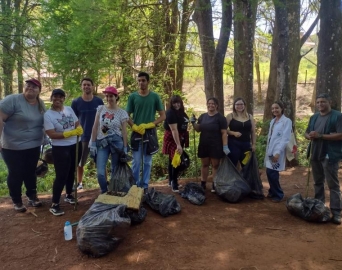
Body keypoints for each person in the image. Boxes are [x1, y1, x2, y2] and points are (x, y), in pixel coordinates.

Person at [0, 78, 45, 212]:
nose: (30, 88)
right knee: (16, 173)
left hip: (34, 145)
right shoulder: (12, 100)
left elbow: (44, 122)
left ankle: (32, 196)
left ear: (39, 91)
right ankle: (17, 201)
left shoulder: (40, 103)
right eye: (28, 85)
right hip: (12, 146)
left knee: (31, 171)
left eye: (34, 87)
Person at [44, 89, 83, 216]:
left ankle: (69, 194)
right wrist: (68, 133)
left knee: (72, 170)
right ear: (51, 98)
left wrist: (79, 129)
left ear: (63, 99)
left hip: (75, 144)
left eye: (61, 97)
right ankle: (55, 203)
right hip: (60, 148)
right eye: (55, 97)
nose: (58, 99)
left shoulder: (69, 110)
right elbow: (51, 133)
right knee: (61, 175)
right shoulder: (48, 115)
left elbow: (77, 123)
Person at [304, 93, 342, 225]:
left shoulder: (337, 116)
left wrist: (320, 135)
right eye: (318, 102)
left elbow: (340, 135)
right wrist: (309, 136)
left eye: (323, 102)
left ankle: (336, 212)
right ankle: (319, 208)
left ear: (329, 102)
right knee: (318, 181)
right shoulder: (314, 117)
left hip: (329, 154)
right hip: (315, 153)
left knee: (333, 184)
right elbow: (307, 132)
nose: (320, 104)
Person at [126, 71, 165, 193]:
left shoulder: (154, 97)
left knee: (147, 162)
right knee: (136, 162)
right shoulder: (133, 97)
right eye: (139, 80)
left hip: (150, 133)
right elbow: (126, 115)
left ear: (148, 82)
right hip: (137, 132)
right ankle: (135, 186)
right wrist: (134, 126)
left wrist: (152, 123)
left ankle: (145, 185)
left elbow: (163, 116)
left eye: (143, 80)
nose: (141, 83)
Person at [90, 86, 129, 194]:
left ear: (116, 97)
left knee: (114, 171)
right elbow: (95, 126)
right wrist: (93, 143)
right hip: (102, 142)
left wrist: (125, 148)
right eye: (107, 96)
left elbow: (124, 132)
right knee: (100, 173)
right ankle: (104, 191)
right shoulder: (101, 109)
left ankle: (113, 192)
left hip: (117, 143)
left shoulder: (122, 113)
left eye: (111, 96)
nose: (108, 98)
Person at [71, 78, 104, 190]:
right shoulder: (76, 102)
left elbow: (103, 118)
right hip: (83, 137)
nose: (86, 87)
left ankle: (103, 182)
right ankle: (79, 183)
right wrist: (76, 131)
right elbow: (73, 120)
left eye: (88, 85)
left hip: (98, 136)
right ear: (81, 86)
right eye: (84, 85)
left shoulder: (99, 101)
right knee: (80, 161)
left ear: (93, 86)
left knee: (100, 160)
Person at [191, 97, 229, 192]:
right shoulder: (203, 116)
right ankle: (203, 183)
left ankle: (214, 184)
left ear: (216, 105)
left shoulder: (221, 118)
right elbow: (198, 129)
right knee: (205, 164)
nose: (211, 105)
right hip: (204, 144)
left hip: (216, 145)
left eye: (213, 104)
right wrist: (193, 123)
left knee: (215, 165)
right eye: (209, 103)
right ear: (207, 105)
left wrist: (225, 146)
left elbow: (224, 133)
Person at [264, 101, 292, 203]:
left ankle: (278, 194)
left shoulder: (286, 121)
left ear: (282, 108)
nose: (274, 110)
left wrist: (278, 152)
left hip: (277, 150)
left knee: (273, 172)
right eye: (273, 109)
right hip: (270, 149)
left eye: (277, 108)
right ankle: (272, 191)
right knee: (269, 171)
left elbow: (285, 138)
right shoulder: (273, 121)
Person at [162, 95, 189, 192]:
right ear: (171, 104)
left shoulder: (181, 112)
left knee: (172, 160)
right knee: (176, 160)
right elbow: (174, 130)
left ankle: (171, 181)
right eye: (174, 103)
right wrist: (178, 144)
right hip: (173, 138)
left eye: (178, 103)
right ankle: (174, 184)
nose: (176, 105)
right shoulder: (170, 113)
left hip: (180, 137)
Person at [226, 97, 256, 168]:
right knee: (233, 164)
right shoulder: (230, 116)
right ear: (234, 106)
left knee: (246, 164)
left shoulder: (249, 116)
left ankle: (246, 179)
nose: (239, 106)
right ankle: (232, 179)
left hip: (246, 144)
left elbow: (253, 131)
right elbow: (224, 130)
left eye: (241, 104)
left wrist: (254, 144)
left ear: (244, 105)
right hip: (233, 144)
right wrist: (233, 133)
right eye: (237, 104)